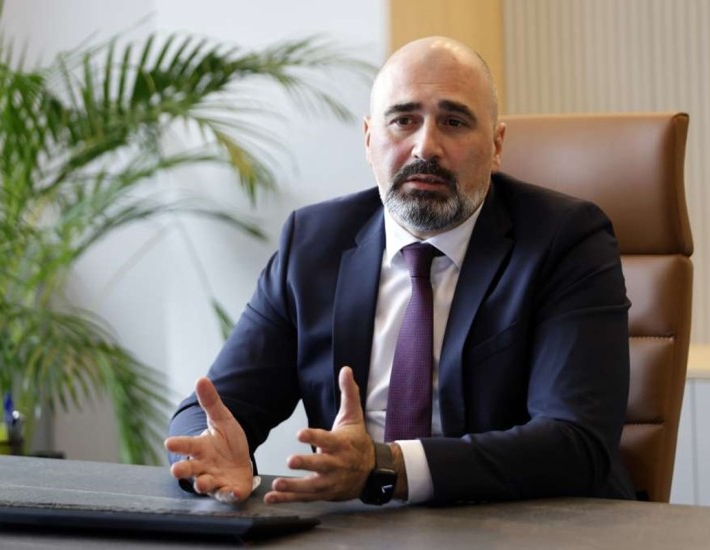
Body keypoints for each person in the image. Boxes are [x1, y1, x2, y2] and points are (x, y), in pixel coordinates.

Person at [165, 36, 636, 505]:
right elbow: (215, 408)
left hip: (520, 524)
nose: (425, 147)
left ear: (496, 146)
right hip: (353, 529)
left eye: (453, 122)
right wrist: (208, 453)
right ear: (369, 140)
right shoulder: (313, 243)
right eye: (403, 120)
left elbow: (575, 443)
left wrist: (387, 466)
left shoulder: (564, 240)